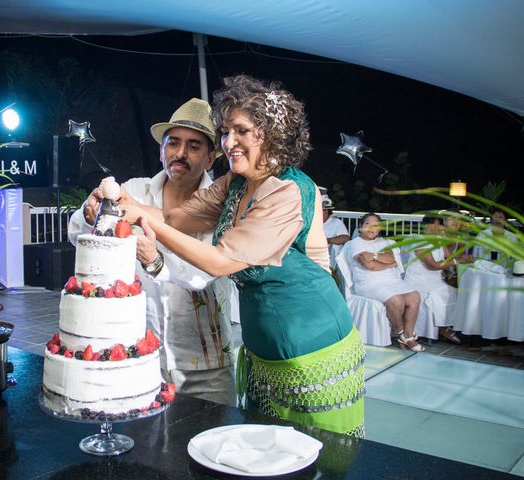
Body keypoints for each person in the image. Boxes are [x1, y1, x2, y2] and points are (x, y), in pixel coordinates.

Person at [118, 75, 365, 437]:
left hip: (312, 346)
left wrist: (141, 220)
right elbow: (174, 218)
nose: (228, 142)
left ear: (272, 133)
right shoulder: (234, 184)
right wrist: (123, 204)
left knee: (314, 456)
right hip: (262, 348)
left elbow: (219, 261)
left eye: (241, 131)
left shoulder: (288, 192)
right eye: (224, 132)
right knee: (262, 450)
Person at [68, 98, 238, 406]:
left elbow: (207, 271)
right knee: (148, 449)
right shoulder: (134, 190)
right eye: (173, 142)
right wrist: (90, 211)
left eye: (194, 146)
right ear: (161, 149)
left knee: (211, 448)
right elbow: (75, 232)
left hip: (207, 366)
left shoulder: (223, 205)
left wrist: (155, 261)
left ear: (212, 157)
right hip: (142, 358)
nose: (181, 153)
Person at [343, 213, 426, 352]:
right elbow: (368, 265)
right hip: (368, 283)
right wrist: (387, 264)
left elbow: (390, 257)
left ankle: (408, 334)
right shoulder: (354, 243)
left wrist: (374, 256)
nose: (371, 228)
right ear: (360, 227)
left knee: (414, 296)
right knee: (396, 300)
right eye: (367, 224)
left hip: (390, 281)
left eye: (375, 225)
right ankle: (401, 332)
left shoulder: (384, 242)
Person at [403, 215, 464, 344]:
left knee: (456, 292)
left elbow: (449, 257)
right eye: (431, 225)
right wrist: (456, 261)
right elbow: (433, 265)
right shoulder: (418, 241)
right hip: (418, 279)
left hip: (436, 279)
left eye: (438, 225)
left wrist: (460, 257)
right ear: (424, 226)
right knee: (437, 295)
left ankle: (446, 325)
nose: (434, 228)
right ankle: (442, 328)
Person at [322, 194, 349, 270]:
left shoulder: (336, 222)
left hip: (327, 258)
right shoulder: (310, 222)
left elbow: (345, 238)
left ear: (325, 211)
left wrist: (327, 240)